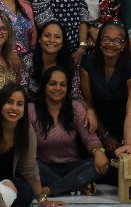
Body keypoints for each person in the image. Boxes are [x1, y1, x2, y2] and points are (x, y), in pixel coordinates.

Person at [29, 67, 107, 196]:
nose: (58, 88)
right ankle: (75, 185)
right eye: (53, 84)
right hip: (43, 167)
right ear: (44, 86)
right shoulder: (31, 110)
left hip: (72, 167)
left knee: (96, 165)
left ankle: (51, 189)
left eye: (62, 85)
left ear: (67, 88)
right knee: (27, 165)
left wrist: (99, 152)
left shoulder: (75, 108)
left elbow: (90, 138)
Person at [0, 84, 44, 207]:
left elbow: (29, 168)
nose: (14, 108)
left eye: (19, 104)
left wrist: (41, 198)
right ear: (0, 104)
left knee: (27, 193)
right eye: (9, 102)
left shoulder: (26, 130)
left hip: (10, 185)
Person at [80, 21, 131, 161]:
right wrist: (104, 135)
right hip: (95, 128)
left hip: (125, 130)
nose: (111, 44)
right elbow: (89, 105)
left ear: (124, 45)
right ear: (100, 41)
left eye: (117, 41)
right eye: (106, 39)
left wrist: (126, 139)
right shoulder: (87, 63)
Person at [20, 20, 82, 101]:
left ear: (63, 42)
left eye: (57, 37)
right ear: (39, 39)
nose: (52, 40)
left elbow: (75, 97)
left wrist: (89, 110)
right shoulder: (27, 60)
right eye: (47, 35)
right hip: (30, 108)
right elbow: (21, 94)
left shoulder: (69, 63)